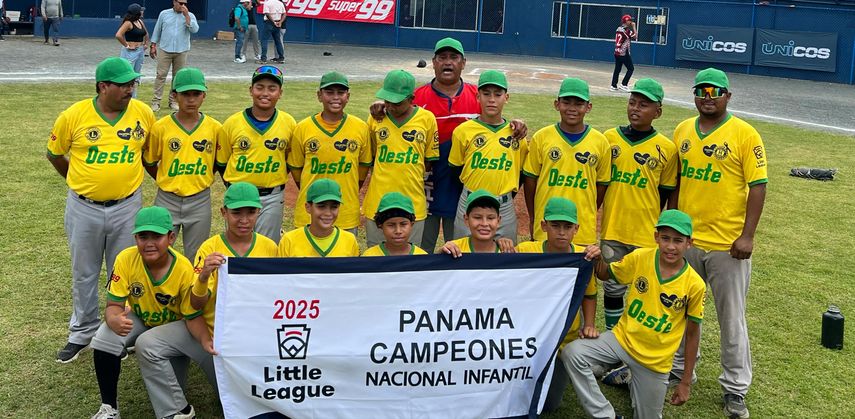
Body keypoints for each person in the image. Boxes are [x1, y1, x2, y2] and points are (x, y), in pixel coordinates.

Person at [670, 68, 768, 419]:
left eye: (715, 91)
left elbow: (758, 185)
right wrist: (673, 227)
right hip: (688, 243)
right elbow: (677, 182)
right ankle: (680, 371)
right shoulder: (683, 130)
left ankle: (735, 387)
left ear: (728, 95)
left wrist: (747, 235)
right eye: (701, 90)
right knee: (679, 311)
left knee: (731, 319)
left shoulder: (745, 134)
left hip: (728, 246)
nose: (707, 96)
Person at [369, 37, 526, 253]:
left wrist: (518, 122)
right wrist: (381, 106)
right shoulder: (418, 97)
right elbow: (396, 113)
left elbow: (494, 124)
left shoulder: (477, 95)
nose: (448, 62)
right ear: (433, 62)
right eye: (442, 58)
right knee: (420, 250)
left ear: (463, 62)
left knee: (462, 250)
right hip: (426, 186)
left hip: (461, 188)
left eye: (454, 57)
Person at [135, 182, 278, 419]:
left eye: (250, 212)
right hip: (213, 335)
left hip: (252, 339)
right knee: (148, 344)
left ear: (259, 212)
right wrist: (203, 276)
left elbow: (274, 298)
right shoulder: (210, 247)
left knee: (246, 406)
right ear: (223, 212)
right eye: (236, 212)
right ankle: (176, 411)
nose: (244, 219)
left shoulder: (269, 247)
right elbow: (196, 304)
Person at [47, 57, 156, 364]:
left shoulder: (143, 113)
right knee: (85, 272)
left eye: (132, 84)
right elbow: (54, 153)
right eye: (122, 84)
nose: (129, 90)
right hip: (84, 207)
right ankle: (81, 333)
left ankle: (122, 334)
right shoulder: (75, 115)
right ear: (103, 86)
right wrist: (80, 181)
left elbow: (149, 154)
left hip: (127, 206)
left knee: (124, 271)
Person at [562, 209, 705, 419]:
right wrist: (597, 258)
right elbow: (604, 274)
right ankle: (605, 415)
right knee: (573, 353)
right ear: (656, 237)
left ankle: (631, 378)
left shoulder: (695, 284)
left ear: (688, 243)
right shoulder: (640, 257)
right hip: (621, 340)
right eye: (665, 238)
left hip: (654, 363)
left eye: (678, 240)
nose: (671, 246)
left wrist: (685, 383)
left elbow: (692, 335)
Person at [88, 206, 196, 419]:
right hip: (142, 317)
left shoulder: (183, 267)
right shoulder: (126, 258)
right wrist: (113, 319)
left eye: (157, 236)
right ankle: (109, 408)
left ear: (171, 237)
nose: (149, 243)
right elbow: (113, 306)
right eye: (142, 236)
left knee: (176, 388)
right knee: (104, 338)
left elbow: (192, 316)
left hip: (174, 328)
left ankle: (179, 411)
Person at [600, 78, 678, 330]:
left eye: (644, 104)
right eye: (632, 102)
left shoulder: (667, 148)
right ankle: (614, 340)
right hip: (613, 230)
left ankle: (635, 342)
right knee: (612, 289)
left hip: (646, 234)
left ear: (658, 111)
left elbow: (666, 194)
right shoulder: (609, 138)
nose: (635, 108)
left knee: (643, 292)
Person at [514, 197, 601, 412]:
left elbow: (589, 295)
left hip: (564, 339)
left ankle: (574, 370)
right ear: (544, 226)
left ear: (576, 229)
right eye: (555, 226)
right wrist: (504, 245)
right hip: (529, 337)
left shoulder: (584, 257)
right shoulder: (526, 250)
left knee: (548, 406)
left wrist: (589, 323)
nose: (561, 232)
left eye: (567, 227)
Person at [143, 67, 221, 263]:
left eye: (196, 94)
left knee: (196, 257)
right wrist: (168, 178)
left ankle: (191, 293)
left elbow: (217, 164)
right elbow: (150, 162)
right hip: (167, 198)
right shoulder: (161, 127)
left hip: (200, 199)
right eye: (185, 94)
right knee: (157, 252)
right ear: (174, 95)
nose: (191, 99)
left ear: (204, 95)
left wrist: (199, 179)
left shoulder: (215, 128)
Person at [523, 78, 610, 247]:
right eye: (566, 102)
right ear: (557, 104)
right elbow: (530, 180)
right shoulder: (541, 137)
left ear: (588, 107)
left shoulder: (600, 142)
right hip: (547, 228)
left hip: (582, 230)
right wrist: (534, 217)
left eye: (579, 103)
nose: (572, 108)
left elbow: (601, 185)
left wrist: (587, 211)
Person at [216, 65, 296, 242]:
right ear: (251, 90)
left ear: (280, 93)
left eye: (272, 88)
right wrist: (235, 188)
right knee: (237, 245)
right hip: (238, 197)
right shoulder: (232, 123)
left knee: (266, 247)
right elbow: (222, 163)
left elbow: (289, 160)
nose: (265, 93)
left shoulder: (288, 123)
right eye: (260, 87)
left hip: (272, 196)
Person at [448, 70, 527, 244]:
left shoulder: (516, 134)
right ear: (478, 96)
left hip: (504, 207)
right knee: (463, 256)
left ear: (506, 97)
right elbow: (455, 170)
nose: (492, 99)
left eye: (498, 94)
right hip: (469, 201)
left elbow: (520, 173)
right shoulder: (463, 131)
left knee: (505, 260)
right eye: (486, 93)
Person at [288, 71, 371, 236]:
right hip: (310, 213)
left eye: (340, 93)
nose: (335, 97)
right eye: (329, 92)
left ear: (348, 96)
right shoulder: (303, 128)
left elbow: (362, 169)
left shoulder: (360, 127)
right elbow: (297, 171)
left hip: (345, 211)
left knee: (343, 258)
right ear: (319, 95)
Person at [363, 69, 439, 248]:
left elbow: (429, 160)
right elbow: (371, 156)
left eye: (397, 102)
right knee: (376, 259)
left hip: (413, 205)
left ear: (411, 99)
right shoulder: (376, 118)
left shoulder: (427, 119)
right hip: (377, 203)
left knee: (409, 264)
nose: (390, 106)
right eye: (387, 100)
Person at [279, 179, 360, 257]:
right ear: (308, 207)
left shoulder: (349, 240)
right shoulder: (289, 241)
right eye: (321, 206)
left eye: (334, 207)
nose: (328, 213)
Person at [149, 0, 199, 112]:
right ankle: (156, 102)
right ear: (174, 2)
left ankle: (173, 101)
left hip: (182, 50)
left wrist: (187, 16)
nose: (183, 5)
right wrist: (153, 45)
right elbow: (157, 29)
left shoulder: (190, 15)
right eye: (180, 3)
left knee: (177, 77)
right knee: (161, 75)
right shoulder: (164, 14)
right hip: (165, 49)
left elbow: (195, 30)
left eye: (185, 3)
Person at [440, 189, 514, 256]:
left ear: (498, 221)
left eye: (490, 218)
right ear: (466, 220)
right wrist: (442, 253)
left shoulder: (506, 250)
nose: (484, 224)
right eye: (477, 217)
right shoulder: (455, 249)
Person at [363, 192, 429, 256]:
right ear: (380, 226)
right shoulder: (370, 256)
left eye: (403, 224)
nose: (398, 231)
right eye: (391, 225)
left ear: (411, 225)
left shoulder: (422, 257)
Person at [115, 3, 149, 98]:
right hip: (130, 53)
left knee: (136, 76)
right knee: (127, 75)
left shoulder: (140, 21)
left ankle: (133, 99)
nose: (142, 12)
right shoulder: (128, 23)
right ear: (137, 12)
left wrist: (146, 44)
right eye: (141, 10)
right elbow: (118, 35)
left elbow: (146, 33)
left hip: (140, 51)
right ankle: (123, 97)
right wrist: (126, 45)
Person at [610, 14, 637, 92]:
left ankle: (613, 85)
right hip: (623, 52)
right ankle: (624, 84)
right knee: (631, 68)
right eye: (629, 20)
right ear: (626, 21)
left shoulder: (618, 29)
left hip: (617, 51)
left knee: (617, 69)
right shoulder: (627, 30)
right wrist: (634, 27)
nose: (631, 22)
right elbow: (635, 37)